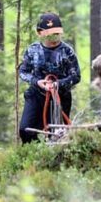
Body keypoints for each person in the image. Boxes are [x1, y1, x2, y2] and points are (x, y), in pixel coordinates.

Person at [18, 12, 81, 143]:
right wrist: (37, 82)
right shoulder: (32, 50)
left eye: (57, 33)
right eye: (50, 34)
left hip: (60, 98)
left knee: (58, 135)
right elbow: (23, 72)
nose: (54, 37)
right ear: (40, 33)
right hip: (36, 96)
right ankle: (33, 156)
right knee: (25, 130)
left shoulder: (67, 51)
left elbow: (76, 76)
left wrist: (58, 84)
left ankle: (54, 160)